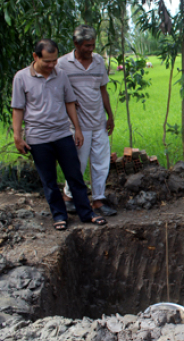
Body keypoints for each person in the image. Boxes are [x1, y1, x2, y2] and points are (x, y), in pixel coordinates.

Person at [11, 39, 107, 230]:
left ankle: (86, 213)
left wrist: (77, 129)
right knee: (49, 180)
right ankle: (59, 215)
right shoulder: (21, 78)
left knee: (75, 176)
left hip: (63, 134)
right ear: (35, 57)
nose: (52, 65)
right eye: (47, 61)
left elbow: (69, 102)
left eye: (54, 60)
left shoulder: (61, 75)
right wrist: (17, 136)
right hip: (38, 138)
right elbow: (18, 109)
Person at [57, 24, 117, 216]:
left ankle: (98, 200)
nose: (90, 50)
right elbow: (58, 94)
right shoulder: (62, 64)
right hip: (77, 125)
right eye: (86, 46)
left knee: (101, 162)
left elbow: (103, 90)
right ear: (76, 44)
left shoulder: (98, 61)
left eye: (92, 45)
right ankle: (68, 197)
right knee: (78, 163)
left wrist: (110, 115)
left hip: (98, 120)